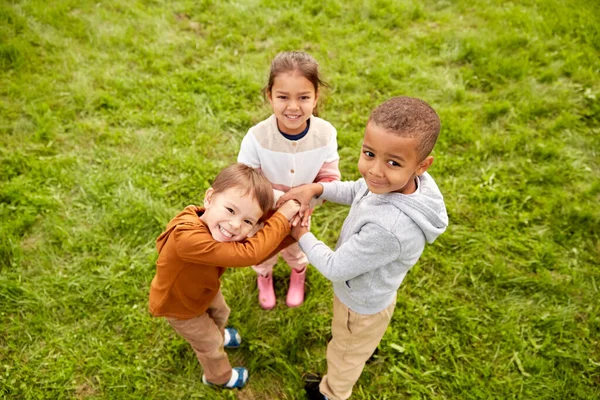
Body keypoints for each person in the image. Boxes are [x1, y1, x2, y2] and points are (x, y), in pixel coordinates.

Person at [279, 96, 449, 400]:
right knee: (354, 345)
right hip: (370, 295)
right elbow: (357, 189)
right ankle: (361, 348)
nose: (374, 171)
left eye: (393, 163)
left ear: (422, 165)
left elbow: (334, 267)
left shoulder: (389, 228)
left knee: (344, 357)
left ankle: (331, 393)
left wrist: (300, 232)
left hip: (359, 306)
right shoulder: (401, 184)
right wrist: (318, 188)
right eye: (369, 154)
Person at [148, 163, 300, 389]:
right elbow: (250, 253)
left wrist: (290, 231)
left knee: (220, 312)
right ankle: (218, 378)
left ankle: (218, 333)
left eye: (248, 221)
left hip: (203, 288)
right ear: (209, 198)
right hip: (178, 306)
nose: (235, 225)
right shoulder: (187, 238)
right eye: (230, 210)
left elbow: (258, 247)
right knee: (209, 344)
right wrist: (283, 217)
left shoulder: (213, 225)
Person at [237, 51, 341, 310]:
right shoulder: (257, 137)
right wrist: (283, 202)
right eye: (283, 97)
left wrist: (309, 198)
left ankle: (298, 273)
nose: (293, 107)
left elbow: (330, 178)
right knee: (261, 251)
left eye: (303, 97)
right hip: (262, 212)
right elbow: (246, 179)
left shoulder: (326, 134)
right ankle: (264, 276)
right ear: (269, 96)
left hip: (301, 215)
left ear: (316, 97)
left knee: (295, 249)